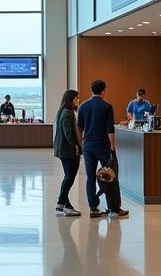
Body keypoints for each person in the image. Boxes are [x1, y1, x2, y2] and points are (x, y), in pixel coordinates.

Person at [77, 78, 128, 219]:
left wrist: (81, 144)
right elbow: (110, 129)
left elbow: (80, 127)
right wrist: (113, 148)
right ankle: (114, 208)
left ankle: (93, 208)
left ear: (91, 90)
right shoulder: (107, 106)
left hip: (87, 146)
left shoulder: (83, 106)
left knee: (90, 177)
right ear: (104, 90)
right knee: (111, 176)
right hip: (103, 146)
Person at [52, 89, 81, 217]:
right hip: (68, 151)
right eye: (77, 98)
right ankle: (60, 202)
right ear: (71, 99)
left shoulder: (62, 112)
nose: (78, 100)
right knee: (70, 177)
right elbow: (68, 132)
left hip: (63, 150)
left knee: (67, 176)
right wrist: (75, 146)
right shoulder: (68, 113)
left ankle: (66, 205)